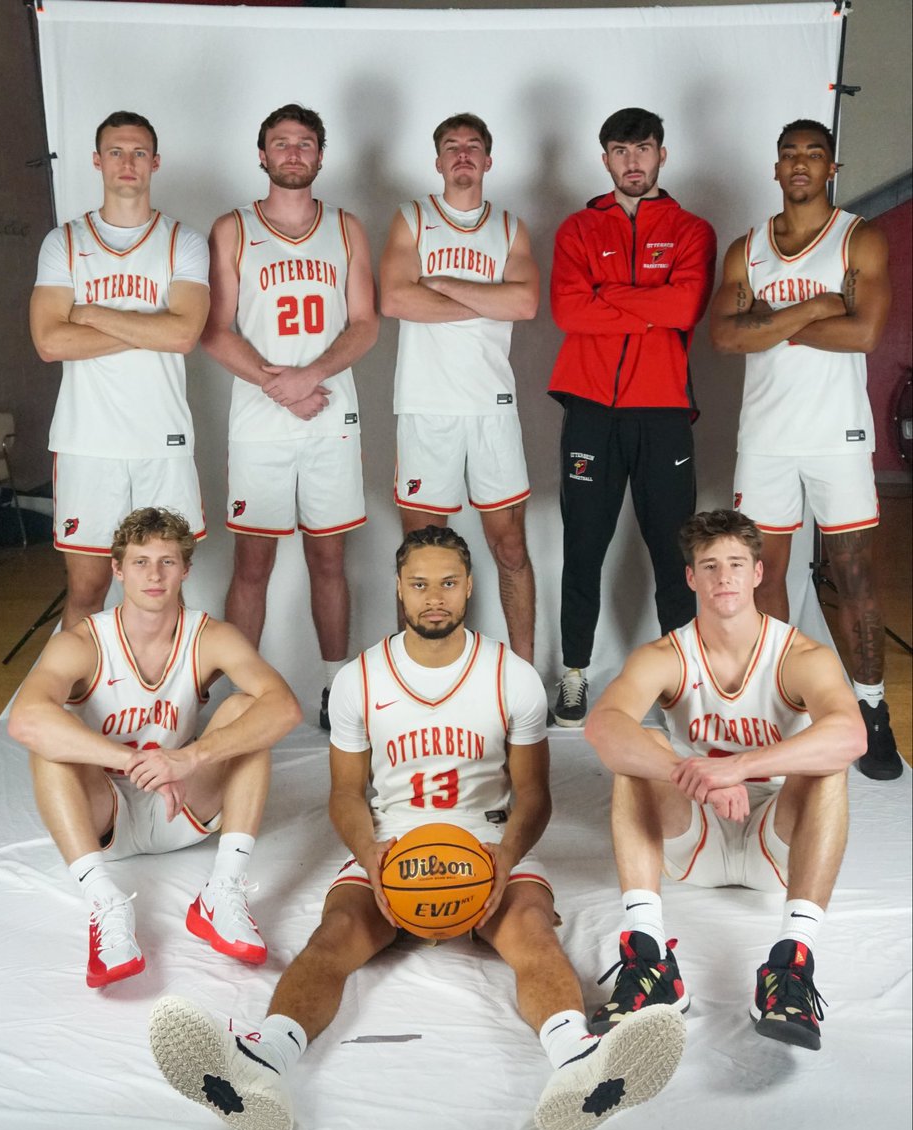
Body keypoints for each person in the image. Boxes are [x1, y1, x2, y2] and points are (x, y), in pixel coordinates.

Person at [147, 525, 685, 1130]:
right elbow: (346, 794)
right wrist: (371, 857)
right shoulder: (361, 679)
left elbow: (533, 794)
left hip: (485, 845)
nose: (435, 597)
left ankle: (578, 1064)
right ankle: (261, 1066)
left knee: (534, 935)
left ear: (470, 588)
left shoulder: (510, 676)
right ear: (400, 590)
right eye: (421, 584)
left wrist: (507, 858)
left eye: (449, 583)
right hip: (391, 846)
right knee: (332, 939)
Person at [584, 509, 866, 1052]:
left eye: (736, 564)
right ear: (690, 577)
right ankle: (648, 957)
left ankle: (791, 963)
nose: (723, 578)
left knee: (828, 765)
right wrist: (694, 775)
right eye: (709, 566)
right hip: (695, 832)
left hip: (775, 843)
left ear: (758, 573)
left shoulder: (799, 655)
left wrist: (737, 766)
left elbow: (853, 736)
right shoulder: (667, 654)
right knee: (641, 751)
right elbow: (602, 726)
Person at [7, 508, 303, 988]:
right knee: (48, 738)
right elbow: (24, 718)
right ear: (117, 569)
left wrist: (186, 758)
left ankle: (222, 890)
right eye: (141, 562)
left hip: (181, 803)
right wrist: (130, 760)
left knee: (251, 710)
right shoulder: (83, 642)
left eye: (167, 561)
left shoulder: (210, 635)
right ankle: (104, 902)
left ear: (186, 570)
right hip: (106, 814)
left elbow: (284, 708)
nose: (154, 574)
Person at [710, 119, 900, 780]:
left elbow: (866, 332)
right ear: (775, 168)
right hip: (765, 438)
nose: (800, 163)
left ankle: (871, 707)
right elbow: (725, 339)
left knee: (854, 578)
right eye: (789, 153)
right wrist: (816, 307)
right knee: (763, 581)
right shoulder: (747, 248)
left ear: (831, 170)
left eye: (813, 153)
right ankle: (783, 711)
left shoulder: (858, 238)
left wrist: (768, 324)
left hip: (835, 437)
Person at [201, 103, 379, 730]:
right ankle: (241, 696)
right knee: (253, 564)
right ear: (262, 155)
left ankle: (335, 690)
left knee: (329, 559)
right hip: (261, 418)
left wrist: (311, 376)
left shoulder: (347, 227)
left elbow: (365, 324)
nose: (294, 153)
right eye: (282, 143)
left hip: (329, 413)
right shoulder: (233, 228)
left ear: (321, 156)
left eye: (306, 143)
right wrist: (281, 386)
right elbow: (213, 330)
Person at [548, 107, 716, 727]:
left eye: (643, 149)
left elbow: (685, 305)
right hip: (591, 406)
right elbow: (570, 313)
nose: (632, 162)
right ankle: (574, 674)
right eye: (620, 151)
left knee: (676, 551)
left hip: (664, 407)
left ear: (662, 155)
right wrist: (649, 304)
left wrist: (608, 296)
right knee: (583, 545)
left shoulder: (692, 229)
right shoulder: (576, 229)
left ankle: (682, 684)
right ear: (605, 159)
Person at [29, 112, 210, 632]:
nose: (126, 163)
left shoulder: (183, 241)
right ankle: (78, 706)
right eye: (115, 152)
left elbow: (183, 335)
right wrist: (146, 325)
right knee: (86, 590)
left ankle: (165, 709)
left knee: (165, 590)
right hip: (89, 441)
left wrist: (89, 314)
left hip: (162, 440)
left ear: (155, 162)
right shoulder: (64, 242)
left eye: (137, 153)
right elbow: (49, 342)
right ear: (96, 161)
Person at [380, 113, 539, 663]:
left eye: (473, 146)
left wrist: (442, 284)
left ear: (489, 160)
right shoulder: (412, 219)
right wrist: (484, 297)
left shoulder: (511, 228)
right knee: (419, 557)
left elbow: (524, 304)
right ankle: (415, 671)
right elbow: (396, 300)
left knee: (510, 547)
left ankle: (521, 674)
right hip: (427, 405)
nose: (463, 154)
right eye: (452, 147)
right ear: (439, 161)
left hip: (491, 407)